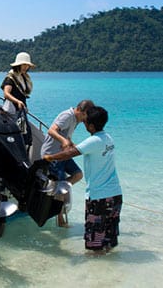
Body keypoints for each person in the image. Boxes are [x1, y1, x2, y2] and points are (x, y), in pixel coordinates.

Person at [43, 106, 122, 254]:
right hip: (115, 196)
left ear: (91, 125)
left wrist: (49, 157)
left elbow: (70, 153)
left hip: (99, 199)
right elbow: (81, 148)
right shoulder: (108, 138)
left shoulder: (93, 141)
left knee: (95, 246)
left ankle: (96, 274)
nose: (84, 124)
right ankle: (110, 271)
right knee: (108, 242)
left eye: (85, 122)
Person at [40, 99, 95, 227]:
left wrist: (74, 146)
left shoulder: (75, 120)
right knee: (61, 190)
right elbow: (52, 130)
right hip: (52, 155)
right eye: (86, 115)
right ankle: (60, 220)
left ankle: (59, 188)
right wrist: (63, 141)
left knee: (78, 174)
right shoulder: (67, 116)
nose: (86, 120)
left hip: (63, 155)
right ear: (81, 111)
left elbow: (67, 136)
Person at [1, 52, 35, 146]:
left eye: (27, 65)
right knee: (15, 134)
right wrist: (17, 101)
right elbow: (6, 94)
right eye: (24, 64)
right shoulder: (10, 78)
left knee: (23, 135)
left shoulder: (23, 77)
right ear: (18, 64)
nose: (25, 67)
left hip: (20, 110)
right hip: (12, 111)